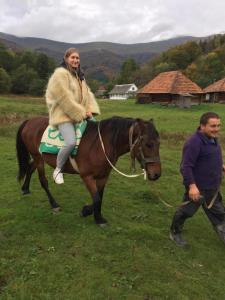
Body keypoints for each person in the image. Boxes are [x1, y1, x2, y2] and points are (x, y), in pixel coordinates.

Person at [45, 48, 100, 184]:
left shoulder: (80, 76)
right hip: (63, 115)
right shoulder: (60, 74)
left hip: (79, 114)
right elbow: (64, 98)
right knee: (70, 142)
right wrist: (81, 113)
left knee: (97, 134)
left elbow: (88, 95)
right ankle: (58, 169)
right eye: (73, 57)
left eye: (77, 58)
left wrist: (90, 110)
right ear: (66, 59)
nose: (76, 60)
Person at [170, 112, 225, 247]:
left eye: (218, 125)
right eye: (213, 126)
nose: (216, 129)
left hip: (212, 188)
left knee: (220, 213)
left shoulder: (213, 139)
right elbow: (186, 167)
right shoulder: (194, 142)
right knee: (186, 212)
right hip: (198, 189)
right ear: (202, 126)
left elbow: (209, 157)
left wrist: (221, 166)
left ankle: (222, 231)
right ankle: (174, 232)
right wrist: (192, 186)